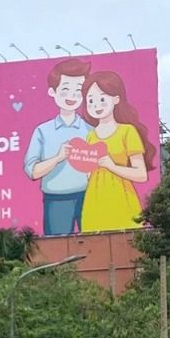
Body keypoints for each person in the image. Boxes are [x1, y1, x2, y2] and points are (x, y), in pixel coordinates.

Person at [22, 57, 95, 236]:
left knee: (97, 244)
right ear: (52, 92)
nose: (71, 96)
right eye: (65, 90)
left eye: (78, 91)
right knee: (58, 250)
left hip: (91, 196)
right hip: (57, 199)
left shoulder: (91, 130)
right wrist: (58, 158)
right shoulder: (43, 131)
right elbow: (32, 171)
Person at [77, 70, 154, 232]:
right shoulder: (90, 136)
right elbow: (87, 172)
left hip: (122, 199)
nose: (96, 105)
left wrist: (112, 166)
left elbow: (141, 174)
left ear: (116, 99)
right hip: (95, 200)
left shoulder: (127, 131)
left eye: (102, 99)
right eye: (90, 100)